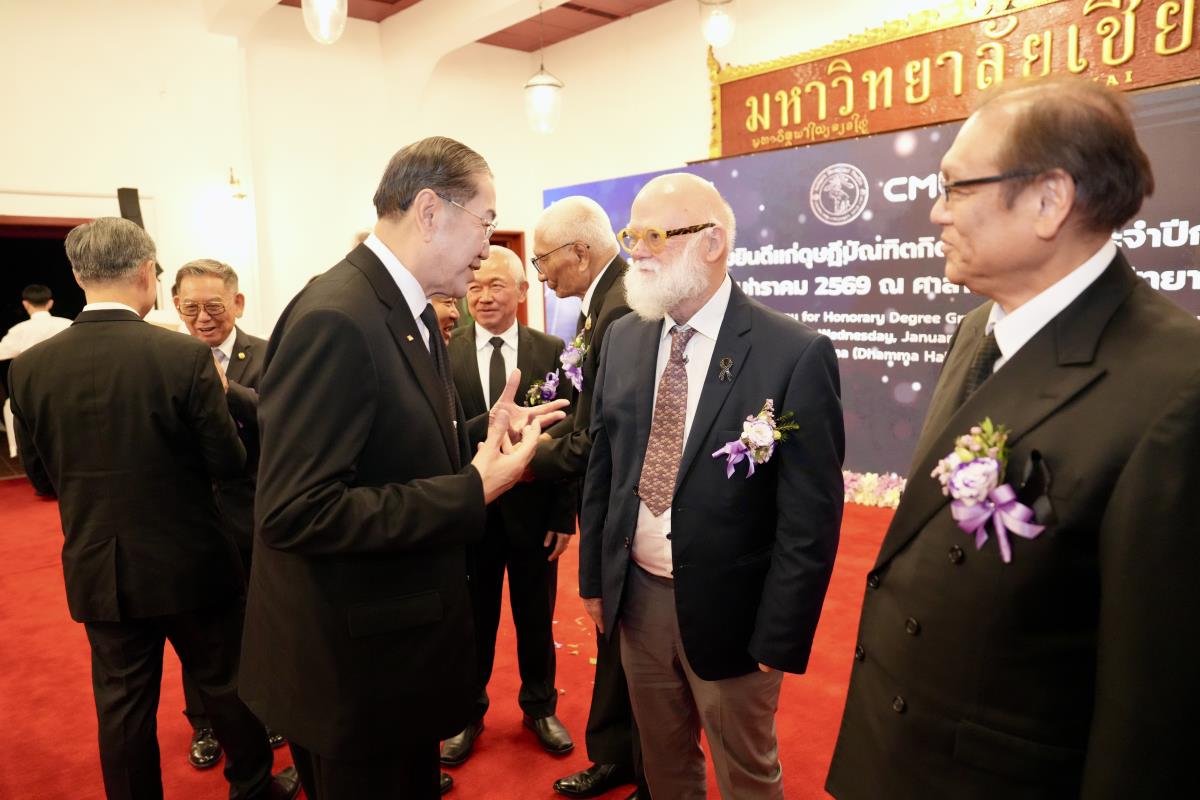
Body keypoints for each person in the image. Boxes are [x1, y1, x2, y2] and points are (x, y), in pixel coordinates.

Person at [826, 77, 1200, 799]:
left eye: (955, 187)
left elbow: (1154, 703)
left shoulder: (1177, 387)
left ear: (1049, 200)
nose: (936, 212)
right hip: (900, 755)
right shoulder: (978, 330)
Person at [237, 136, 568, 800]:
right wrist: (476, 488)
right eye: (485, 222)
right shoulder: (339, 316)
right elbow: (297, 511)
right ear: (430, 211)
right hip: (353, 672)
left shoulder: (403, 308)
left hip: (394, 657)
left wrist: (483, 434)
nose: (489, 247)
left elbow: (391, 444)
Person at [8, 217, 298, 800]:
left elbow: (39, 475)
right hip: (191, 560)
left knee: (121, 706)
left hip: (99, 565)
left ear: (77, 277)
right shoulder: (183, 357)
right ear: (147, 272)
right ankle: (252, 787)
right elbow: (228, 461)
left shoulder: (29, 367)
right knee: (224, 681)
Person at [580, 173, 845, 799]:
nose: (637, 252)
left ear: (712, 241)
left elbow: (809, 517)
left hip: (735, 611)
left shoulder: (793, 352)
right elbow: (603, 468)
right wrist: (595, 579)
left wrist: (780, 632)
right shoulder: (623, 337)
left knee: (746, 775)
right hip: (637, 599)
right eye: (630, 236)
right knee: (664, 765)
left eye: (654, 236)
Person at [527, 197, 645, 800]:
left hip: (627, 507)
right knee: (616, 640)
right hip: (607, 498)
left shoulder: (620, 307)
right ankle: (617, 756)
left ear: (580, 251)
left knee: (635, 644)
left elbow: (602, 436)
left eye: (542, 259)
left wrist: (524, 459)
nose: (539, 273)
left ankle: (642, 766)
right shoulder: (603, 301)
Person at [442, 246, 576, 765]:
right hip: (468, 512)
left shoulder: (552, 350)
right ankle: (466, 713)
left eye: (496, 285)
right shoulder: (444, 349)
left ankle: (539, 706)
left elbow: (570, 434)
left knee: (535, 616)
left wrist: (564, 515)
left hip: (534, 512)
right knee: (471, 621)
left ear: (522, 291)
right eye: (475, 286)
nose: (482, 296)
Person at [172, 259, 283, 768]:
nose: (202, 318)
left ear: (237, 304)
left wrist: (225, 390)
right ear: (176, 305)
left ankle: (267, 708)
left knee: (260, 621)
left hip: (253, 512)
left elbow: (280, 417)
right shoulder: (167, 358)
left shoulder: (267, 352)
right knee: (198, 629)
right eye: (190, 307)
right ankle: (206, 723)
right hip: (192, 519)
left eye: (213, 307)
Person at [0, 284, 72, 458]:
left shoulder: (19, 331)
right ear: (50, 303)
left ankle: (19, 451)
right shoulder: (68, 324)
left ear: (25, 304)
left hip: (32, 392)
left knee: (11, 407)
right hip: (68, 389)